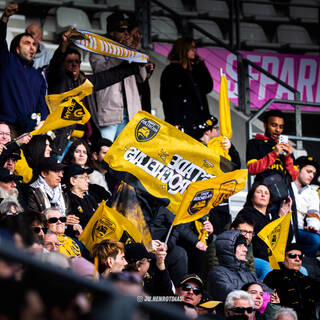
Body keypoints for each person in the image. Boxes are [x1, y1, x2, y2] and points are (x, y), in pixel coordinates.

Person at [46, 27, 143, 155]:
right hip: (61, 141)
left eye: (77, 61)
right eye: (69, 61)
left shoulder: (84, 82)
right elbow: (55, 64)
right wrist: (64, 45)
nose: (74, 64)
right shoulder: (58, 80)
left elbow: (110, 76)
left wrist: (136, 65)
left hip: (84, 142)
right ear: (63, 64)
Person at [89, 12, 147, 141]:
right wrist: (123, 52)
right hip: (109, 112)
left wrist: (136, 53)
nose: (126, 34)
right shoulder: (98, 49)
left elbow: (141, 78)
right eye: (121, 31)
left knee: (125, 156)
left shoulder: (131, 51)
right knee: (105, 151)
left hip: (131, 112)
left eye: (127, 31)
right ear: (112, 33)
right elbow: (101, 72)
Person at [246, 110, 298, 234]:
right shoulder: (255, 143)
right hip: (264, 193)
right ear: (265, 125)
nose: (277, 130)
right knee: (264, 230)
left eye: (281, 127)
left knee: (286, 233)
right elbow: (252, 169)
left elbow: (294, 176)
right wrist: (274, 154)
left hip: (284, 194)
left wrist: (289, 157)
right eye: (274, 125)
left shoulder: (285, 148)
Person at [0, 4, 49, 132]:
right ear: (17, 48)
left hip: (29, 131)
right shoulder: (7, 61)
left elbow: (42, 104)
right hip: (6, 128)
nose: (32, 47)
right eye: (27, 43)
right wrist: (5, 18)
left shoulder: (38, 76)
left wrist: (41, 121)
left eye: (34, 44)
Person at [235, 182, 294, 280]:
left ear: (269, 199)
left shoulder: (273, 216)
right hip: (253, 256)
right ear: (251, 197)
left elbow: (287, 239)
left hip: (272, 259)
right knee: (268, 268)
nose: (263, 195)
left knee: (302, 271)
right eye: (259, 192)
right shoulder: (245, 214)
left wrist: (283, 217)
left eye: (266, 193)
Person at [160, 37, 213, 136]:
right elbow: (167, 97)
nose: (194, 50)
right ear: (183, 50)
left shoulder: (195, 69)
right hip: (181, 121)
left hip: (198, 121)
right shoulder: (171, 70)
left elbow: (208, 87)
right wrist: (174, 121)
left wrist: (201, 65)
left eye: (195, 48)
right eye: (191, 48)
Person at [207, 230, 271, 301]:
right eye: (240, 246)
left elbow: (270, 293)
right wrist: (260, 298)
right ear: (229, 249)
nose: (245, 250)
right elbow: (234, 296)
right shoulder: (217, 274)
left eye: (245, 246)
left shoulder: (250, 276)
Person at [264, 243, 320, 320]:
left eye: (300, 257)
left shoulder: (305, 279)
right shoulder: (273, 277)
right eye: (292, 255)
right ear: (283, 258)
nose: (297, 259)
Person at [205, 215, 256, 280]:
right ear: (232, 230)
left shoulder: (248, 245)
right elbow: (217, 275)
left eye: (250, 233)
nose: (247, 236)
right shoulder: (216, 246)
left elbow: (251, 273)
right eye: (244, 231)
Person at [291, 156, 320, 257]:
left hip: (301, 230)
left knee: (315, 239)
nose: (311, 176)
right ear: (298, 169)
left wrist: (313, 227)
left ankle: (304, 263)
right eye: (308, 171)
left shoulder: (313, 192)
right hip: (286, 227)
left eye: (313, 173)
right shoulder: (287, 185)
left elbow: (314, 213)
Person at [63, 164, 98, 229]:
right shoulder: (66, 199)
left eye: (88, 177)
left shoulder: (90, 198)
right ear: (73, 181)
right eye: (84, 178)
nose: (88, 181)